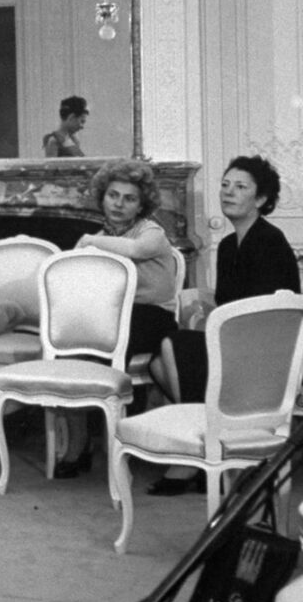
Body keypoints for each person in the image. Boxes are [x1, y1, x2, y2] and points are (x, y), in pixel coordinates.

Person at [149, 154, 301, 494]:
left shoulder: (269, 241)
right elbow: (228, 303)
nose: (228, 192)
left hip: (265, 354)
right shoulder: (230, 244)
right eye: (225, 185)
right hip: (235, 346)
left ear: (261, 199)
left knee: (174, 344)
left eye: (241, 187)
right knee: (161, 363)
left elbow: (269, 312)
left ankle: (197, 456)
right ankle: (207, 449)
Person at [55, 159, 180, 478]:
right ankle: (79, 443)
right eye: (113, 195)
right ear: (103, 197)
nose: (119, 204)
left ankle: (125, 438)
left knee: (100, 346)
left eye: (129, 198)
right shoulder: (100, 236)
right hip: (113, 318)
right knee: (68, 353)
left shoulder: (152, 232)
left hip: (153, 317)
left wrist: (91, 242)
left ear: (141, 205)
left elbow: (137, 249)